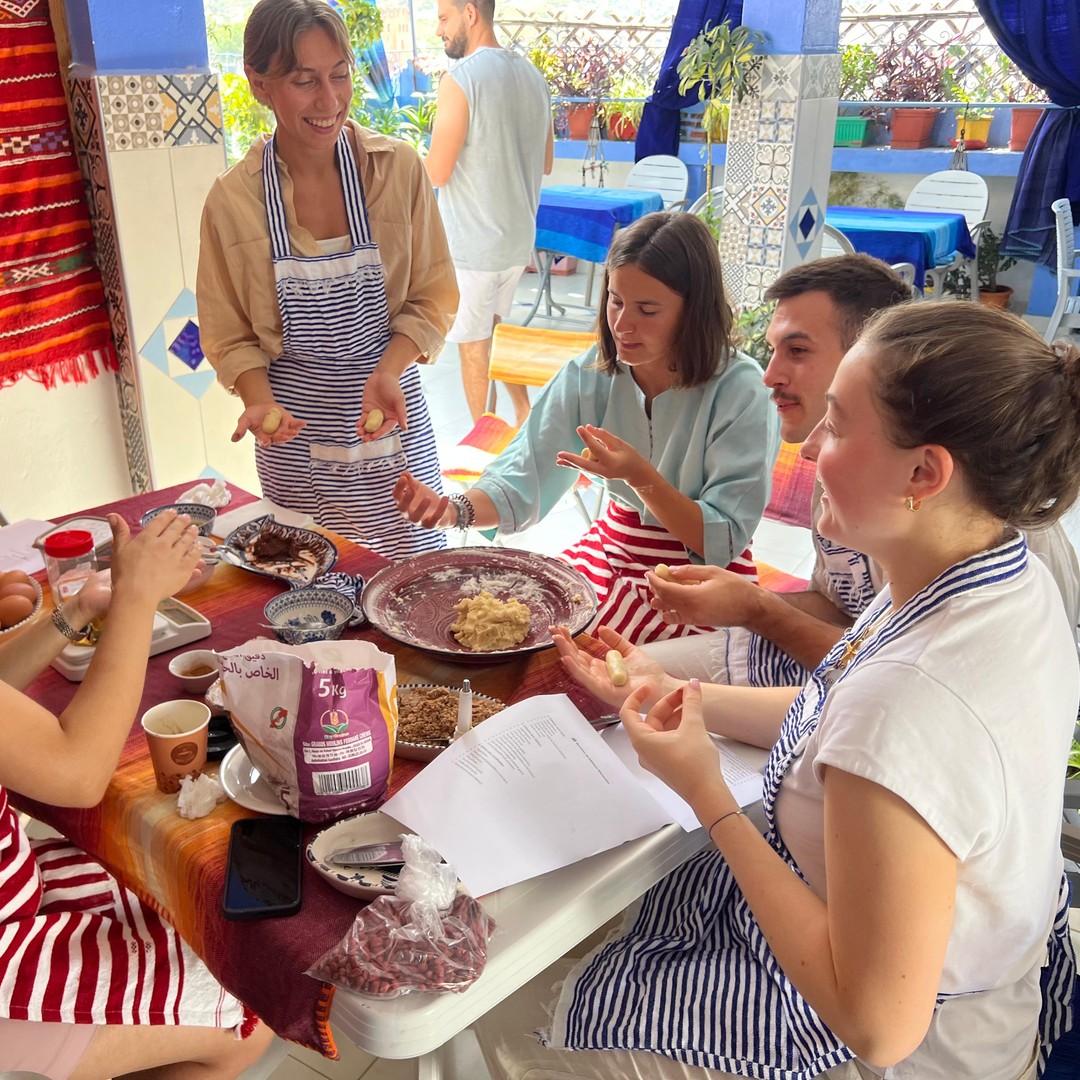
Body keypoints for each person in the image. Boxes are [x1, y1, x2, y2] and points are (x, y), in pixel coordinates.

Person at [476, 302, 1080, 1080]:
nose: (812, 446)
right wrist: (669, 692)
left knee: (500, 1021)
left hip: (896, 1050)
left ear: (924, 474)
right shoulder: (993, 574)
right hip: (958, 976)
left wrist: (707, 794)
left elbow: (878, 1027)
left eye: (839, 424)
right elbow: (833, 716)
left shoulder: (910, 704)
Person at [643, 255, 1080, 685]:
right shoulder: (842, 471)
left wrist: (757, 609)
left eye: (797, 351)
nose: (769, 376)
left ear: (872, 359)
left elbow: (895, 671)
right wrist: (739, 601)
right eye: (773, 350)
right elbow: (846, 611)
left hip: (879, 689)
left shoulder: (975, 524)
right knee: (630, 675)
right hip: (840, 671)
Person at [393, 211, 776, 644]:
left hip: (705, 578)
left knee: (614, 665)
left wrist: (639, 476)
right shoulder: (590, 374)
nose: (623, 325)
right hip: (613, 550)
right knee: (534, 637)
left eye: (647, 310)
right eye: (616, 301)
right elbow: (524, 475)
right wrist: (451, 510)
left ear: (694, 311)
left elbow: (721, 540)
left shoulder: (741, 390)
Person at [0, 511, 274, 1079]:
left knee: (187, 891)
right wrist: (136, 600)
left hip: (18, 890)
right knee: (252, 1008)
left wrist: (77, 610)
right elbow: (78, 774)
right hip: (8, 963)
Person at [197, 0, 458, 561]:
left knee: (414, 584)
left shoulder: (397, 170)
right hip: (294, 441)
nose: (330, 100)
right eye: (304, 81)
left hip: (392, 422)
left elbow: (432, 296)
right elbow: (228, 333)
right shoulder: (233, 201)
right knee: (308, 580)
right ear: (259, 84)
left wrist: (387, 370)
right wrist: (260, 403)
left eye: (340, 75)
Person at [425, 0, 553, 427]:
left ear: (470, 13)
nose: (439, 30)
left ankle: (485, 450)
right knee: (496, 334)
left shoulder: (461, 79)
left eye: (444, 18)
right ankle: (524, 417)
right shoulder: (534, 77)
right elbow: (546, 162)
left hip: (474, 246)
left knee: (474, 347)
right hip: (517, 242)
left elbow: (437, 172)